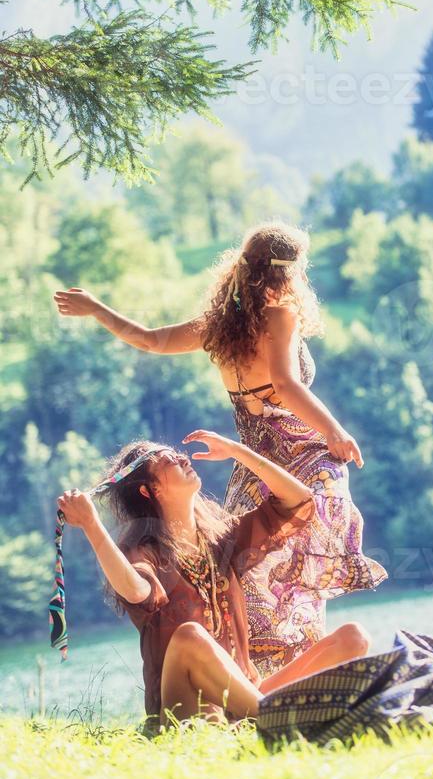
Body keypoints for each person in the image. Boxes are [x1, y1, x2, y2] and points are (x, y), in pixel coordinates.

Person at [53, 221, 386, 675]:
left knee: (260, 575)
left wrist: (97, 309)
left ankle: (275, 673)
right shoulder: (280, 317)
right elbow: (287, 386)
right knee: (297, 573)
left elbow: (149, 339)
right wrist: (334, 430)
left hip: (253, 464)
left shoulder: (219, 327)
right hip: (301, 459)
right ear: (285, 275)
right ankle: (297, 674)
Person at [57, 431, 371, 730]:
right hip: (188, 711)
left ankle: (267, 716)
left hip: (244, 702)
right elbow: (138, 590)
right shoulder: (140, 549)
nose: (182, 458)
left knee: (352, 638)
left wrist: (236, 451)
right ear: (149, 490)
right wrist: (91, 525)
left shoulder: (221, 539)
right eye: (168, 460)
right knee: (190, 637)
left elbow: (299, 501)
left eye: (178, 454)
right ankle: (274, 718)